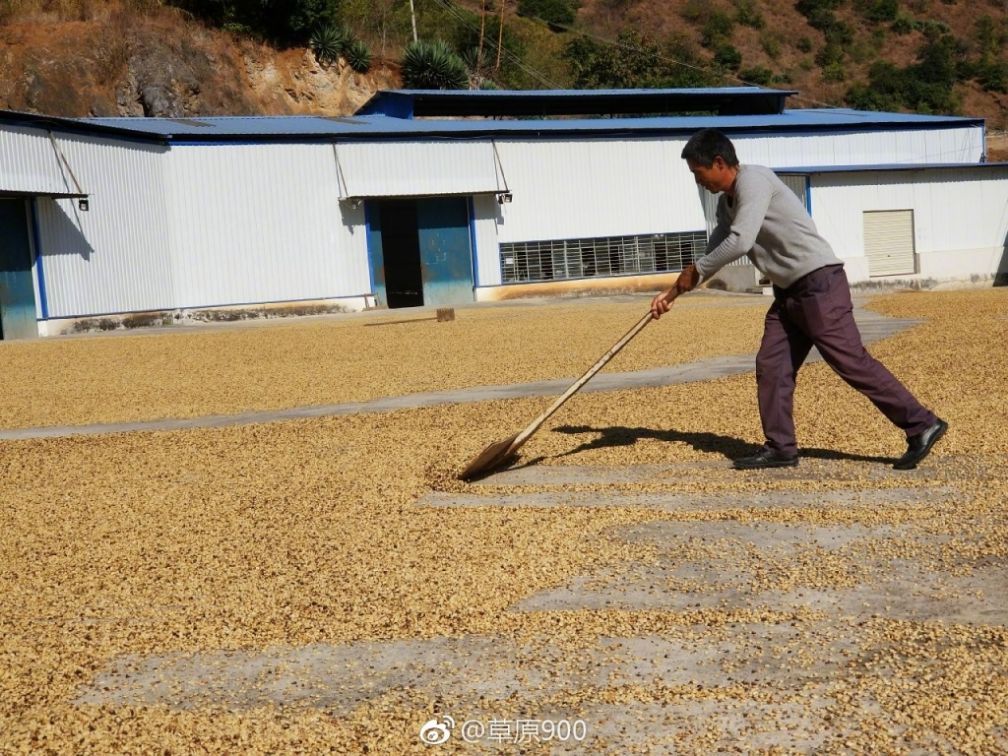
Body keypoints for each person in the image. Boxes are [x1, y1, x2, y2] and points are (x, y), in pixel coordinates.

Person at [650, 128, 946, 470]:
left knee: (850, 362)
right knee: (772, 365)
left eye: (698, 173)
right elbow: (718, 244)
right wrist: (673, 292)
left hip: (819, 283)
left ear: (718, 162)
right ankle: (781, 448)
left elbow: (741, 241)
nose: (698, 182)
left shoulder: (754, 181)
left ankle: (922, 424)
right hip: (789, 291)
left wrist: (697, 270)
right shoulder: (726, 203)